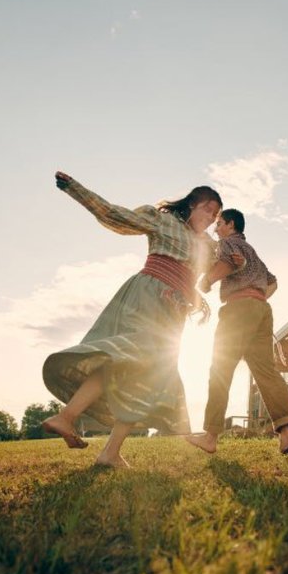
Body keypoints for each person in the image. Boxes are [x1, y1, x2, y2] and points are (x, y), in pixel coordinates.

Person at [40, 172, 221, 468]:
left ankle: (94, 440)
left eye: (216, 215)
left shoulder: (208, 246)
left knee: (136, 372)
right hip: (147, 297)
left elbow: (214, 270)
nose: (212, 217)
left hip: (173, 313)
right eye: (207, 209)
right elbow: (114, 215)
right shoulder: (163, 220)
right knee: (131, 362)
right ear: (191, 205)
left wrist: (200, 300)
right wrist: (75, 189)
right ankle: (73, 422)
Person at [186, 209, 288, 455]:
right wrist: (256, 299)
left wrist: (207, 281)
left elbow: (230, 261)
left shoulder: (228, 243)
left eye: (219, 224)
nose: (216, 229)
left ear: (231, 225)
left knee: (220, 370)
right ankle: (286, 435)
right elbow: (273, 282)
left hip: (238, 310)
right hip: (261, 309)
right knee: (266, 372)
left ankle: (210, 437)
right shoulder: (255, 253)